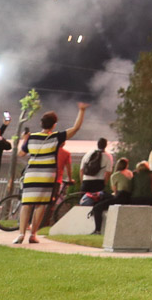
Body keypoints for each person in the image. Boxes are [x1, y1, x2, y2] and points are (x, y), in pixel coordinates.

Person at [18, 103, 88, 244]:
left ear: (41, 123)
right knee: (40, 205)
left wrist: (24, 139)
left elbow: (21, 154)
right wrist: (81, 111)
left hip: (31, 173)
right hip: (47, 174)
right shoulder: (56, 137)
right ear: (54, 125)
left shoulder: (31, 138)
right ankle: (33, 234)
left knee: (26, 204)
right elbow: (76, 128)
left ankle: (20, 234)